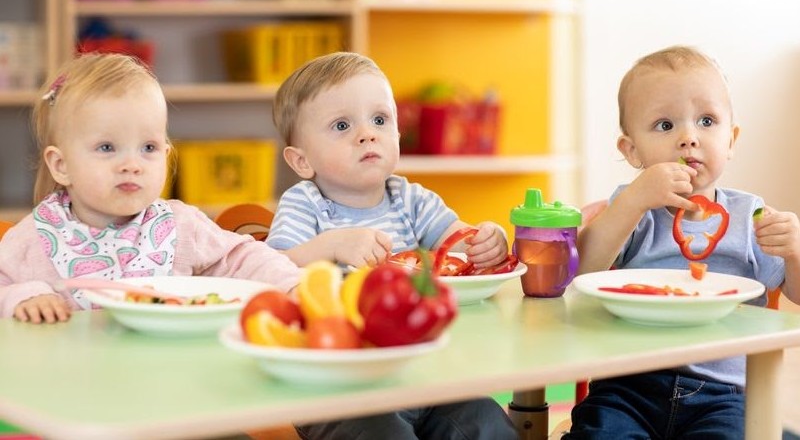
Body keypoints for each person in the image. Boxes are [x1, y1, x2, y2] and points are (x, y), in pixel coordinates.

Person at [267, 51, 517, 440]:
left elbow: (460, 245)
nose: (367, 134)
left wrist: (487, 240)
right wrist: (331, 245)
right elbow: (272, 265)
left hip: (424, 375)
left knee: (486, 420)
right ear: (301, 161)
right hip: (337, 389)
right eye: (341, 125)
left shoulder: (412, 199)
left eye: (380, 120)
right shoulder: (305, 202)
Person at [569, 45, 800, 439]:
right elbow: (580, 269)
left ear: (731, 139)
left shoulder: (751, 216)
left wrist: (794, 252)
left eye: (707, 121)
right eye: (664, 125)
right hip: (628, 384)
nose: (689, 138)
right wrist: (634, 199)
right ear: (632, 150)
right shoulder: (631, 209)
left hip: (724, 394)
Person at [0, 53, 301, 323]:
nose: (132, 164)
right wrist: (24, 296)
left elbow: (243, 258)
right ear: (61, 164)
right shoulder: (32, 239)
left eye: (148, 147)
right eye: (107, 147)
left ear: (167, 154)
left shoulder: (181, 226)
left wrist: (293, 283)